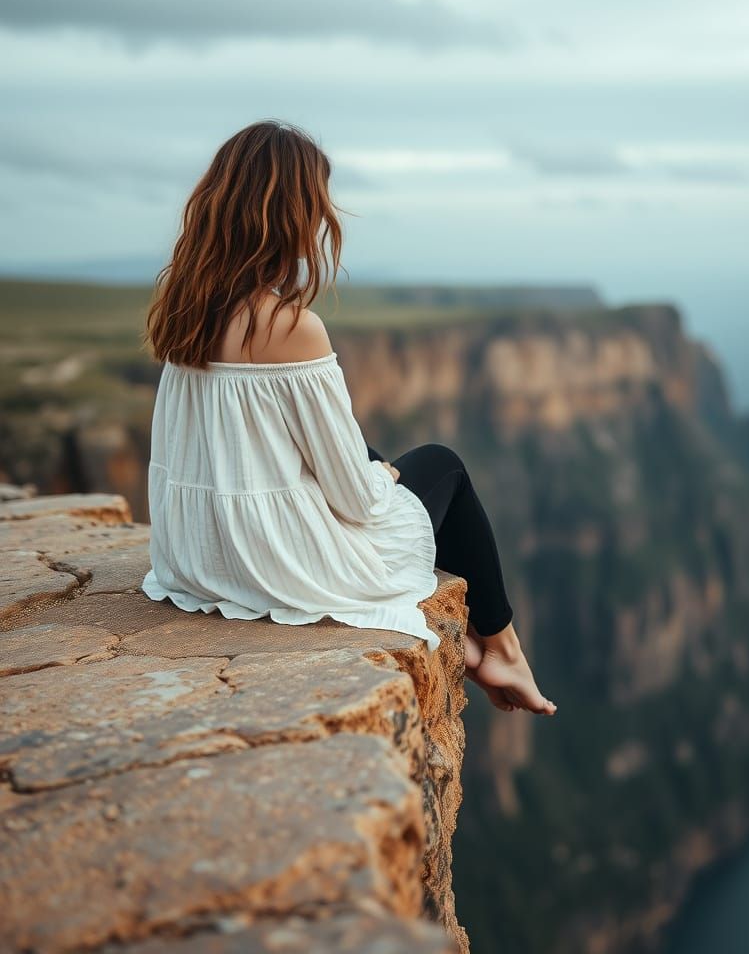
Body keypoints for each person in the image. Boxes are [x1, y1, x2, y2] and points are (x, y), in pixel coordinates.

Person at [140, 119, 555, 716]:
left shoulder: (185, 314)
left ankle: (496, 647)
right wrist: (385, 475)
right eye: (315, 204)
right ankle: (503, 646)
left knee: (364, 450)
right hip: (275, 561)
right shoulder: (290, 326)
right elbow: (356, 502)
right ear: (290, 215)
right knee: (441, 465)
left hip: (199, 557)